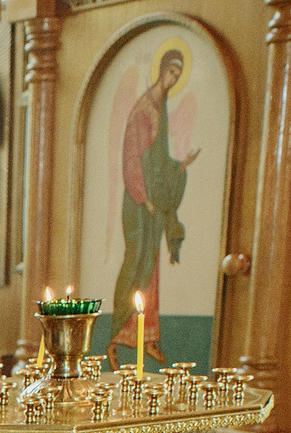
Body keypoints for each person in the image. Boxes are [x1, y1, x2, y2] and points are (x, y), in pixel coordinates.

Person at [108, 45, 203, 366]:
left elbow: (159, 161)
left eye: (179, 74)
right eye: (171, 72)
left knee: (153, 270)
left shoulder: (160, 108)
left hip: (152, 202)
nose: (174, 78)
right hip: (138, 204)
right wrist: (144, 197)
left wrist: (180, 166)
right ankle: (115, 338)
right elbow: (132, 157)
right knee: (136, 262)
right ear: (162, 70)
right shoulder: (143, 110)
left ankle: (146, 339)